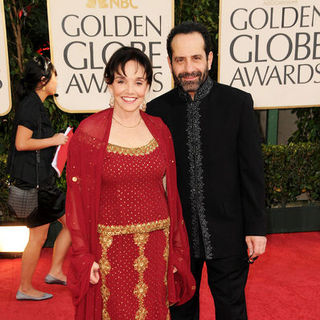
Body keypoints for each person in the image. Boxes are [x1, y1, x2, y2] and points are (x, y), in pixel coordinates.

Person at [147, 22, 267, 320]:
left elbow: (252, 170)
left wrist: (256, 228)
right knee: (181, 312)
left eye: (196, 58)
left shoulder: (237, 103)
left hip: (229, 232)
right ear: (170, 63)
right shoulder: (155, 111)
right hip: (178, 238)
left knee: (232, 310)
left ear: (210, 59)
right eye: (180, 60)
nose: (188, 68)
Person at [66, 46, 195, 320]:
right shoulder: (89, 133)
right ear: (109, 82)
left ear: (148, 85)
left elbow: (170, 195)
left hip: (156, 248)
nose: (130, 90)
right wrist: (82, 255)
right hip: (110, 251)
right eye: (122, 80)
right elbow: (76, 203)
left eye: (139, 82)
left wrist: (175, 250)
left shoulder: (159, 129)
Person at [7, 56, 71, 301]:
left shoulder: (35, 103)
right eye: (54, 76)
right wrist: (55, 140)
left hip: (43, 182)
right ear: (44, 81)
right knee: (40, 234)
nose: (57, 81)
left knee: (69, 224)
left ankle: (54, 271)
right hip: (35, 185)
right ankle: (25, 287)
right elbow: (21, 143)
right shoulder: (31, 106)